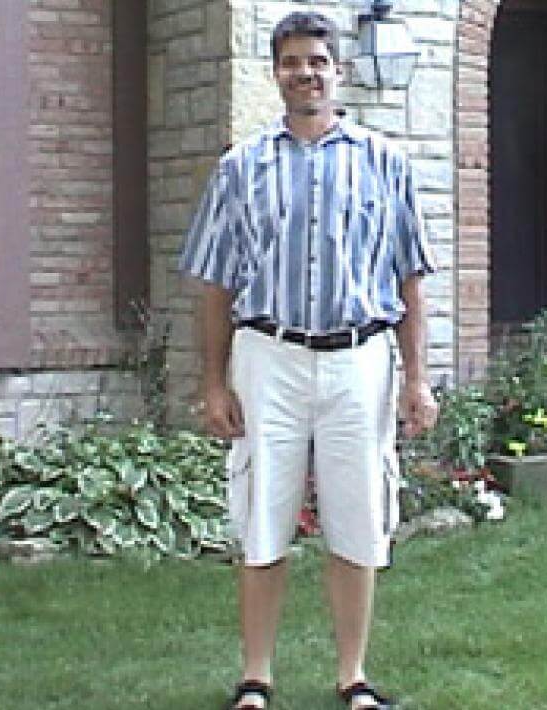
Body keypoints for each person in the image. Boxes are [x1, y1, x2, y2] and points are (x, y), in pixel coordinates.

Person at [178, 11, 438, 710]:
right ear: (277, 73)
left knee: (358, 518)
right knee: (263, 514)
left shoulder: (384, 163)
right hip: (269, 359)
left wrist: (418, 379)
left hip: (360, 359)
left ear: (338, 70)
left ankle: (353, 677)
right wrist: (212, 382)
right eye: (292, 62)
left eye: (318, 61)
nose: (306, 73)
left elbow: (411, 278)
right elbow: (215, 282)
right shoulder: (241, 169)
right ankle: (256, 677)